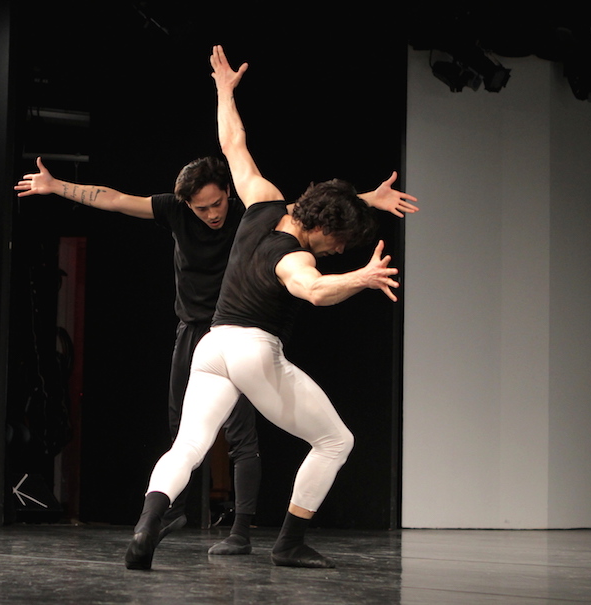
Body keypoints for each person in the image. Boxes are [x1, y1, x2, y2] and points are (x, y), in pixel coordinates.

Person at [124, 45, 418, 570]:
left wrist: (223, 90)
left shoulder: (263, 201)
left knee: (189, 445)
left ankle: (147, 524)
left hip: (211, 346)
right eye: (338, 245)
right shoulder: (295, 258)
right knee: (335, 440)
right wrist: (363, 276)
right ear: (324, 232)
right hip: (254, 350)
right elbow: (314, 290)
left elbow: (232, 142)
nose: (335, 253)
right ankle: (288, 542)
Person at [15, 155, 263, 554]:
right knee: (180, 428)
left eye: (218, 204)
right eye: (203, 208)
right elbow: (114, 199)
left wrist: (368, 198)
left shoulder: (249, 213)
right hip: (191, 333)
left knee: (241, 434)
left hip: (233, 334)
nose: (213, 214)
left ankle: (242, 533)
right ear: (187, 205)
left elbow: (303, 211)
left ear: (229, 193)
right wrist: (57, 186)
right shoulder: (174, 211)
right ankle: (174, 510)